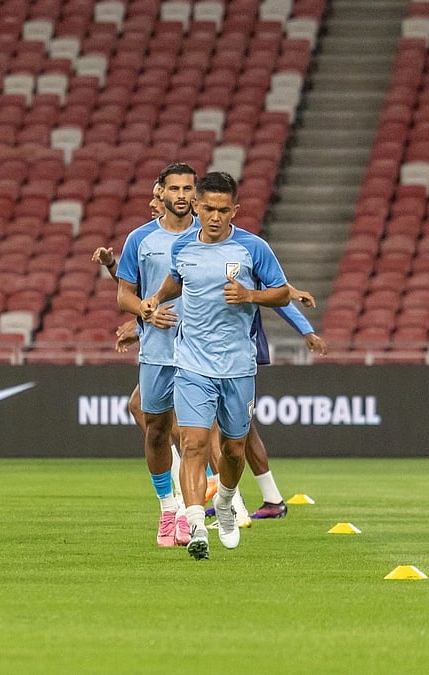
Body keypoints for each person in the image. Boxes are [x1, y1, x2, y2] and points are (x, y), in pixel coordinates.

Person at [141, 171, 292, 560]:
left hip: (238, 367)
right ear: (196, 206)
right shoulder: (182, 249)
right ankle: (195, 528)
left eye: (224, 210)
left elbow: (281, 292)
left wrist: (250, 294)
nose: (215, 217)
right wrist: (156, 298)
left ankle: (224, 503)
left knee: (234, 450)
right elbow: (177, 280)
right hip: (191, 363)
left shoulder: (252, 248)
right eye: (208, 208)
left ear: (235, 210)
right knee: (192, 444)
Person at [113, 163, 199, 548]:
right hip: (157, 352)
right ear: (160, 192)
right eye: (175, 188)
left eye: (188, 188)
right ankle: (168, 508)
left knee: (195, 436)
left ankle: (191, 513)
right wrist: (145, 311)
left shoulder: (210, 237)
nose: (181, 195)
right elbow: (124, 296)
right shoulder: (139, 240)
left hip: (202, 353)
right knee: (158, 432)